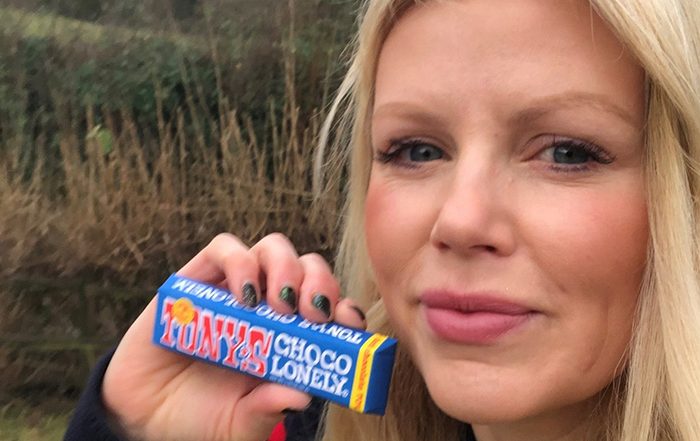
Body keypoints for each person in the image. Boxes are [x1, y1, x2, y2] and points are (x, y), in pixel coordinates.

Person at [64, 0, 700, 440]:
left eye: (566, 152)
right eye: (416, 150)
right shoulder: (290, 423)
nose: (459, 219)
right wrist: (132, 433)